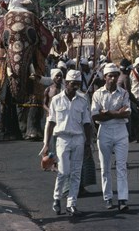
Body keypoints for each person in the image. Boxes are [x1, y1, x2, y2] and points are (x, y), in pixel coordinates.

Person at [41, 70, 92, 217]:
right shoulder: (56, 100)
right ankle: (57, 198)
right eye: (73, 84)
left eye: (78, 84)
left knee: (76, 173)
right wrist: (46, 144)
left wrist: (88, 144)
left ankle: (72, 204)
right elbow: (50, 123)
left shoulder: (82, 100)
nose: (75, 86)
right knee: (64, 172)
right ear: (66, 83)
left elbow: (87, 123)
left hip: (78, 139)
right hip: (62, 139)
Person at [91, 63, 131, 212]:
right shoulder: (98, 94)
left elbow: (127, 113)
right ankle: (107, 197)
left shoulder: (124, 93)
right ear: (105, 77)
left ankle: (122, 199)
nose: (113, 78)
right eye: (110, 76)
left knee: (121, 166)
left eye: (115, 75)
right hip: (105, 130)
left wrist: (107, 112)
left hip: (120, 130)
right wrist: (117, 113)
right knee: (105, 167)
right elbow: (95, 116)